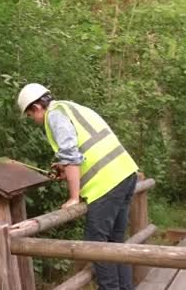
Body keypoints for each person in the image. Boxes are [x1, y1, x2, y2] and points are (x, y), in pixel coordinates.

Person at [17, 83, 139, 290]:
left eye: (30, 116)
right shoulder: (71, 107)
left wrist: (74, 198)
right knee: (116, 243)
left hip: (106, 183)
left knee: (95, 244)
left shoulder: (54, 116)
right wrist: (65, 167)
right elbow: (87, 149)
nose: (34, 121)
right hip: (125, 174)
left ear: (37, 107)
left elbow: (71, 155)